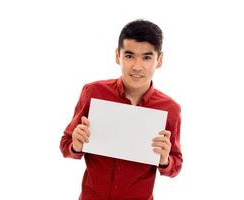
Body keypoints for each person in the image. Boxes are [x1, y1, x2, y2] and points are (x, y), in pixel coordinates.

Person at [60, 19, 183, 200]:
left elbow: (175, 165)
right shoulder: (93, 92)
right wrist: (76, 145)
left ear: (159, 60)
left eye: (147, 57)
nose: (137, 66)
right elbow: (66, 145)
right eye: (129, 55)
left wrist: (165, 160)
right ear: (118, 55)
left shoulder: (170, 109)